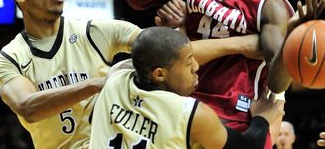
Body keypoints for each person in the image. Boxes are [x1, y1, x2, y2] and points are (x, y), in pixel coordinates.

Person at [124, 0, 325, 148]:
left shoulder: (269, 4)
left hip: (236, 119)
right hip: (182, 105)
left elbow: (279, 84)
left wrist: (291, 39)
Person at [0, 0, 142, 148]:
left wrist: (179, 25)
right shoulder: (9, 57)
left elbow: (162, 49)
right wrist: (94, 84)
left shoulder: (96, 32)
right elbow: (28, 108)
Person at [89, 26, 285, 149]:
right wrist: (261, 119)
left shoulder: (114, 77)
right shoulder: (191, 114)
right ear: (159, 74)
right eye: (188, 61)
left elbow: (139, 58)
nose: (196, 66)